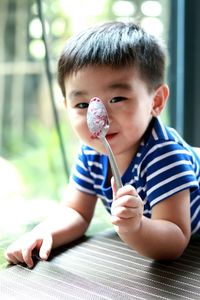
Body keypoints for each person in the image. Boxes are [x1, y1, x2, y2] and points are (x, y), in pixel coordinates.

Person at [5, 21, 200, 268]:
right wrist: (45, 232)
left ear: (156, 101)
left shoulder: (165, 156)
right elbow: (76, 212)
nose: (100, 116)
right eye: (82, 105)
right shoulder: (91, 152)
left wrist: (136, 228)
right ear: (67, 108)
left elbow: (176, 238)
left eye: (117, 98)